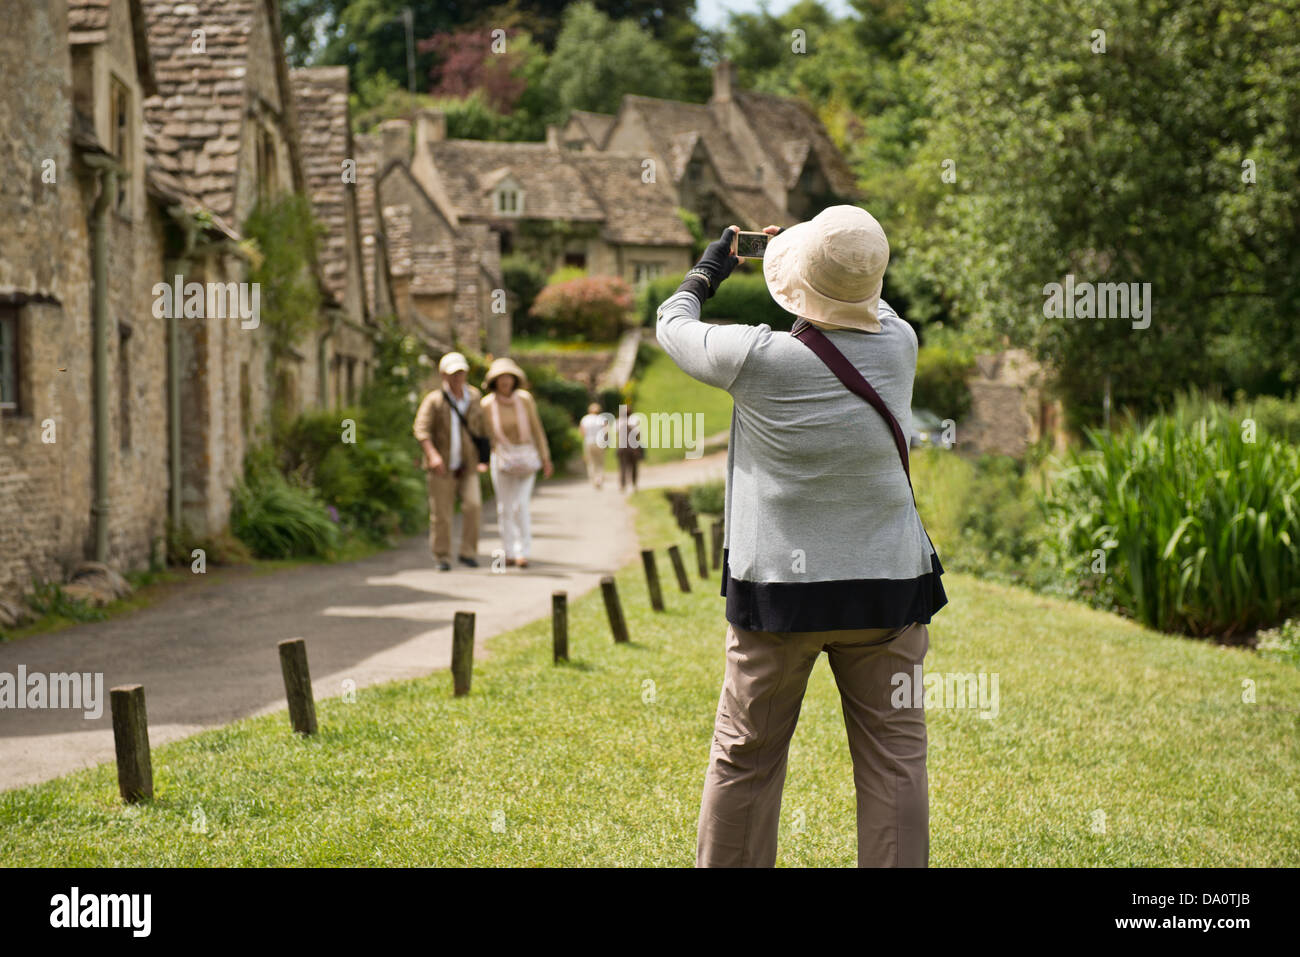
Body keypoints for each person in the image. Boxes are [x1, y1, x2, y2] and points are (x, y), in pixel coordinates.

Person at [656, 207, 948, 868]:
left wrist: (710, 269)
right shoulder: (900, 347)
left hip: (781, 597)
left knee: (746, 757)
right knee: (897, 760)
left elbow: (672, 327)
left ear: (796, 285)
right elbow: (871, 299)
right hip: (888, 591)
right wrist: (826, 263)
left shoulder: (758, 358)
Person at [412, 352, 489, 571]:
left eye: (461, 372)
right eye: (453, 373)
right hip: (442, 467)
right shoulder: (434, 400)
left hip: (468, 464)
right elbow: (421, 429)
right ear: (444, 375)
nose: (458, 377)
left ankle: (468, 552)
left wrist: (485, 458)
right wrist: (432, 455)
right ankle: (443, 556)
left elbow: (483, 429)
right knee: (442, 514)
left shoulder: (474, 397)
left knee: (473, 506)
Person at [481, 357, 552, 568]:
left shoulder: (525, 399)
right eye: (501, 377)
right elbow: (484, 434)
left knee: (521, 505)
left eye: (508, 377)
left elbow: (536, 428)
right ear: (494, 381)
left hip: (526, 456)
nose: (505, 381)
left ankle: (523, 551)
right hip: (502, 459)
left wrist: (545, 457)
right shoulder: (486, 404)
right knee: (504, 507)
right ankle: (508, 551)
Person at [578, 402, 607, 489]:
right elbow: (606, 431)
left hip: (588, 442)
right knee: (600, 462)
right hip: (599, 442)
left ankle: (594, 479)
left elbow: (582, 432)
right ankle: (599, 478)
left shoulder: (585, 419)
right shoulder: (601, 419)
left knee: (591, 462)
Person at [615, 404, 643, 492]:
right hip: (633, 448)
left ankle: (623, 485)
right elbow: (638, 435)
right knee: (634, 467)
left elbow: (617, 433)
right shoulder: (634, 420)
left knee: (622, 467)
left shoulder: (618, 421)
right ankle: (634, 484)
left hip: (622, 447)